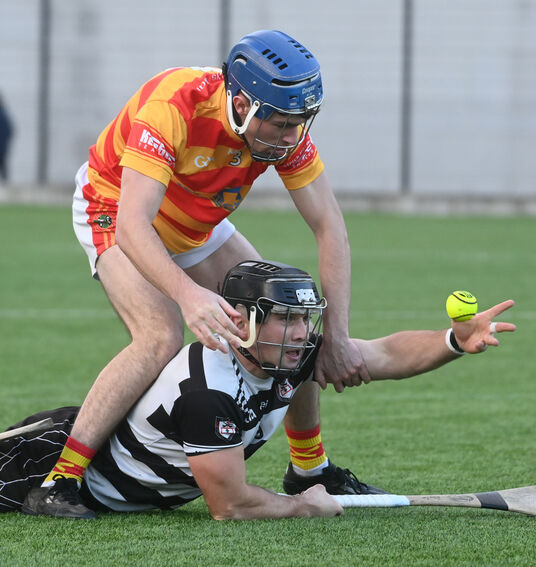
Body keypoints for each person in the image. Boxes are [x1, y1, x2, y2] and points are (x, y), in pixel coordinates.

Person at [0, 261, 516, 520]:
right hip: (55, 469)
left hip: (78, 439)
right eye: (285, 320)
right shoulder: (211, 390)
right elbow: (229, 504)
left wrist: (453, 341)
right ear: (243, 320)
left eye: (303, 321)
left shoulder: (284, 354)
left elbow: (380, 354)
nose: (300, 335)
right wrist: (303, 504)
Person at [31, 29, 368, 517]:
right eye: (280, 124)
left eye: (300, 124)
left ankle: (309, 467)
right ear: (241, 103)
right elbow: (132, 226)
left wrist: (337, 335)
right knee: (160, 336)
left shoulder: (283, 129)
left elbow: (330, 227)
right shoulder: (175, 104)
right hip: (113, 208)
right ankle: (60, 480)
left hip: (196, 221)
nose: (290, 137)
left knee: (283, 313)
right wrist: (189, 296)